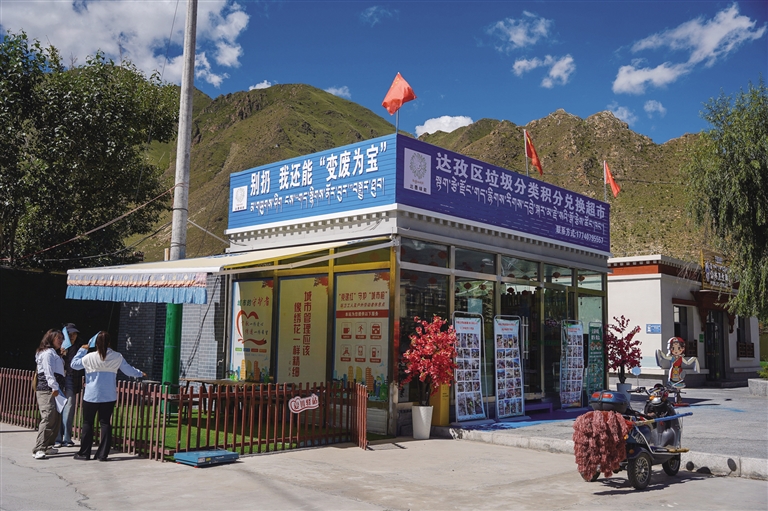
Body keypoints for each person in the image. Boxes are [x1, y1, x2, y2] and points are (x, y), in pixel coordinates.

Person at [71, 331, 145, 461]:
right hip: (108, 396)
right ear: (109, 342)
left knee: (88, 423)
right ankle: (102, 454)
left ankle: (84, 453)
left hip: (91, 395)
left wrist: (82, 350)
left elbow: (74, 365)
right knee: (105, 423)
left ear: (95, 344)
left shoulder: (89, 357)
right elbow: (128, 370)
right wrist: (140, 373)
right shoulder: (117, 356)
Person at [33, 329, 66, 459]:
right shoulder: (47, 353)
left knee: (55, 418)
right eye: (58, 338)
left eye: (62, 338)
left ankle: (48, 446)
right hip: (48, 389)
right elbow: (48, 371)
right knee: (48, 416)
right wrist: (54, 387)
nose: (61, 341)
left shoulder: (54, 353)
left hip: (55, 388)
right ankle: (39, 448)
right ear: (51, 339)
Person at [54, 323, 83, 448]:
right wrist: (61, 353)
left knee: (69, 407)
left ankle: (67, 438)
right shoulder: (58, 346)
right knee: (58, 407)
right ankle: (57, 438)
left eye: (74, 334)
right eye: (70, 334)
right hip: (59, 379)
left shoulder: (80, 346)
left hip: (72, 379)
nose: (72, 336)